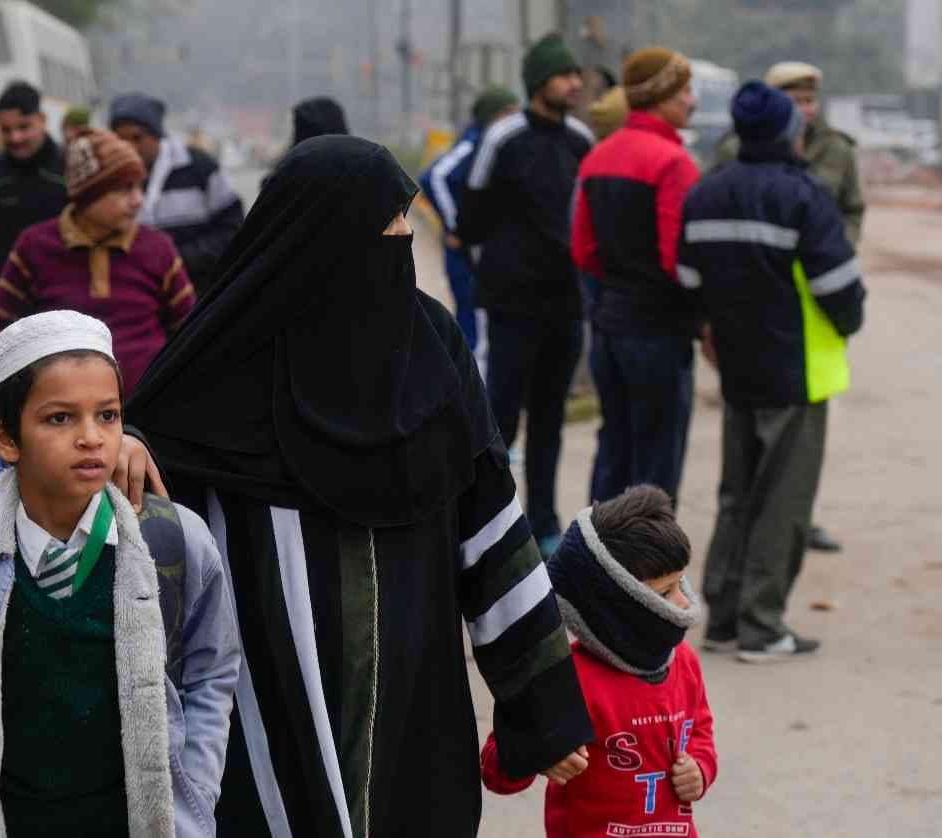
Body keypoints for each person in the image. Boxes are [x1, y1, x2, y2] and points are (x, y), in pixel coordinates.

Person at [118, 135, 594, 836]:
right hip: (265, 700)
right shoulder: (225, 360)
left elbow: (491, 529)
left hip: (413, 689)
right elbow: (140, 514)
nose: (402, 238)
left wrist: (544, 711)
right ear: (326, 235)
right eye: (390, 222)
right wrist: (121, 447)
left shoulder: (430, 345)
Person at [0, 310, 241, 838]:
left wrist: (191, 801)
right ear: (6, 438)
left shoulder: (175, 544)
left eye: (107, 415)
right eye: (60, 418)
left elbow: (211, 674)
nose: (91, 438)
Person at [677, 82, 866, 661]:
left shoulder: (705, 193)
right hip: (796, 370)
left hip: (736, 366)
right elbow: (841, 292)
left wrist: (706, 330)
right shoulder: (802, 195)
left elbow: (687, 283)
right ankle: (762, 627)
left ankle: (724, 617)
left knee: (737, 494)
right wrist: (850, 319)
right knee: (782, 501)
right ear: (789, 132)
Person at [482, 485, 718, 836]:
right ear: (620, 610)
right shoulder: (567, 676)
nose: (683, 603)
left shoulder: (683, 661)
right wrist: (540, 751)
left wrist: (700, 768)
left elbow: (700, 730)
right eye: (665, 592)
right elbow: (496, 772)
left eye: (680, 585)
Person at [712, 61, 865, 555]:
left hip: (815, 298)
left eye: (810, 100)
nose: (806, 110)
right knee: (755, 450)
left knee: (798, 446)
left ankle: (797, 519)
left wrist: (839, 253)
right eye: (795, 100)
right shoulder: (736, 151)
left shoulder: (837, 149)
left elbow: (852, 208)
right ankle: (759, 599)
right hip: (756, 306)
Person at [458, 33, 593, 557]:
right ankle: (489, 521)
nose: (576, 83)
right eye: (565, 75)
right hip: (513, 303)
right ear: (540, 82)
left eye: (576, 75)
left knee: (551, 418)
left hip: (565, 303)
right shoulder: (503, 138)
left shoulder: (581, 140)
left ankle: (544, 520)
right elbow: (470, 218)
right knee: (502, 417)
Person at [571, 46, 700, 506]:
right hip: (659, 334)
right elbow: (678, 261)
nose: (693, 100)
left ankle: (594, 562)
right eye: (685, 90)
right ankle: (649, 571)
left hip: (609, 328)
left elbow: (583, 252)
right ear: (661, 96)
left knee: (614, 449)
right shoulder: (674, 163)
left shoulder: (598, 157)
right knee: (656, 464)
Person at [0, 128, 196, 389]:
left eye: (140, 187)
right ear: (88, 196)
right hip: (63, 416)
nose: (138, 201)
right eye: (124, 189)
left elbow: (190, 333)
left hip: (148, 414)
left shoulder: (158, 248)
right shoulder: (34, 247)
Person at [0, 81, 68, 495]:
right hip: (0, 319)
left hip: (58, 321)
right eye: (7, 131)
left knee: (57, 418)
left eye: (24, 127)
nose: (17, 138)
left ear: (42, 121)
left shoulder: (66, 172)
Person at [110, 93, 244, 295]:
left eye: (137, 137)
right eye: (121, 139)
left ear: (157, 135)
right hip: (138, 293)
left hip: (200, 291)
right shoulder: (109, 177)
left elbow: (233, 230)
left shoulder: (199, 167)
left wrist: (176, 260)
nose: (129, 147)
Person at [418, 85, 520, 352]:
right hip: (465, 251)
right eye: (508, 113)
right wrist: (457, 227)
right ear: (492, 115)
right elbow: (434, 177)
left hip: (477, 248)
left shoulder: (491, 143)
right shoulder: (473, 144)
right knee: (474, 321)